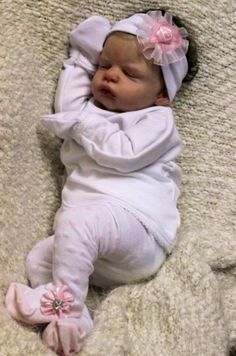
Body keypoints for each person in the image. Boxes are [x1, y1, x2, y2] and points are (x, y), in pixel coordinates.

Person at [5, 10, 198, 355]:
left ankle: (66, 308)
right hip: (96, 254)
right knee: (38, 258)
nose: (109, 77)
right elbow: (67, 105)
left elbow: (122, 154)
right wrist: (82, 57)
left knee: (78, 222)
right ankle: (72, 315)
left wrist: (78, 125)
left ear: (161, 94)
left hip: (138, 229)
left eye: (129, 74)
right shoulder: (88, 112)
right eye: (104, 66)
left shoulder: (157, 120)